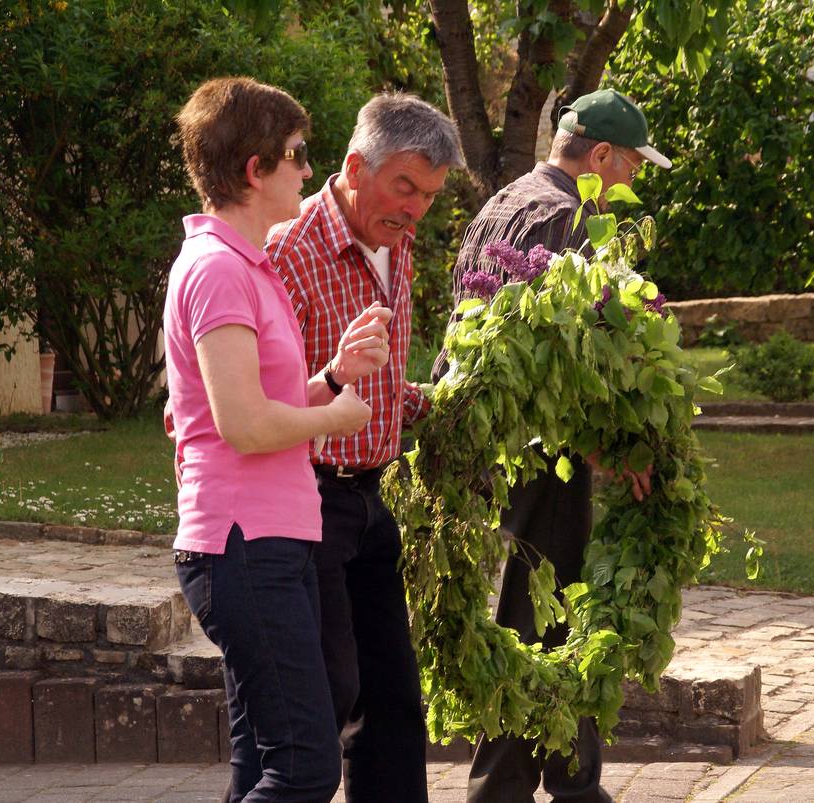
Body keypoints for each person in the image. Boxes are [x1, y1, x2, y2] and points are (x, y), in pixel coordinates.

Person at [435, 88, 668, 803]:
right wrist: (606, 446)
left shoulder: (507, 200)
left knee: (542, 610)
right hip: (532, 448)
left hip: (487, 437)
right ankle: (519, 787)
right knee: (537, 615)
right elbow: (557, 361)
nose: (631, 180)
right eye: (630, 165)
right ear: (599, 156)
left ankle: (563, 778)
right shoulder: (565, 216)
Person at [165, 77, 392, 801]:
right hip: (243, 545)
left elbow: (261, 403)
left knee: (259, 766)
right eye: (295, 154)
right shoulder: (218, 270)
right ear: (254, 170)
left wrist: (331, 376)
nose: (306, 168)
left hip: (268, 540)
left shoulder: (246, 265)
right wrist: (337, 418)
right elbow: (245, 425)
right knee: (304, 767)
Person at [266, 92, 464, 803]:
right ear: (355, 166)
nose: (416, 209)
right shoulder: (287, 249)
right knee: (324, 701)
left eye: (431, 196)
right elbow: (258, 392)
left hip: (372, 499)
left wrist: (438, 406)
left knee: (393, 703)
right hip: (305, 499)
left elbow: (379, 383)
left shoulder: (396, 241)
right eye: (405, 186)